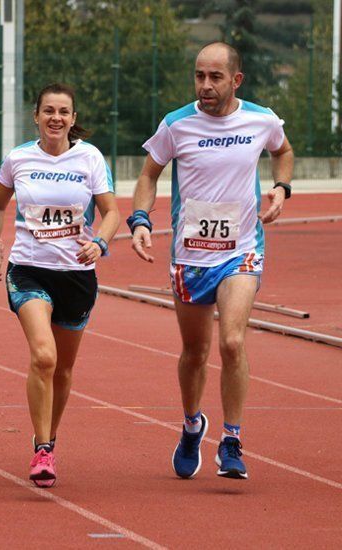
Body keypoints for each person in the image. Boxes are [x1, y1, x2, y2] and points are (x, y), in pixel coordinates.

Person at [128, 42, 294, 480]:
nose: (205, 85)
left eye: (215, 77)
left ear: (235, 80)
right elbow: (149, 174)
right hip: (190, 256)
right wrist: (140, 219)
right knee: (195, 352)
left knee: (232, 342)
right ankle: (190, 424)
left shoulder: (261, 119)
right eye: (199, 76)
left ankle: (233, 440)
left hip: (241, 250)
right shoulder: (176, 124)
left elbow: (283, 151)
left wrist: (281, 188)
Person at [0, 83, 120, 488]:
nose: (56, 118)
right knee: (44, 356)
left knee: (63, 368)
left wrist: (100, 242)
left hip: (76, 275)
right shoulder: (19, 158)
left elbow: (111, 211)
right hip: (29, 270)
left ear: (73, 119)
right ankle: (42, 449)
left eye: (64, 112)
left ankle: (50, 437)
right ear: (36, 116)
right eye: (48, 111)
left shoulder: (90, 157)